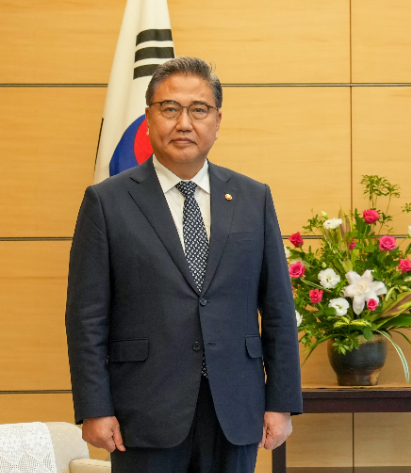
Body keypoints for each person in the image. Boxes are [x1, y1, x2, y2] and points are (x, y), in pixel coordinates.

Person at [65, 56, 302, 473]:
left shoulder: (253, 197)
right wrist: (94, 408)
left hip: (236, 408)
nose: (184, 123)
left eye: (199, 109)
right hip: (143, 410)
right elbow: (86, 317)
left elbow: (279, 309)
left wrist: (281, 402)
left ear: (217, 119)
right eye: (170, 109)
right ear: (148, 117)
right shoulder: (107, 202)